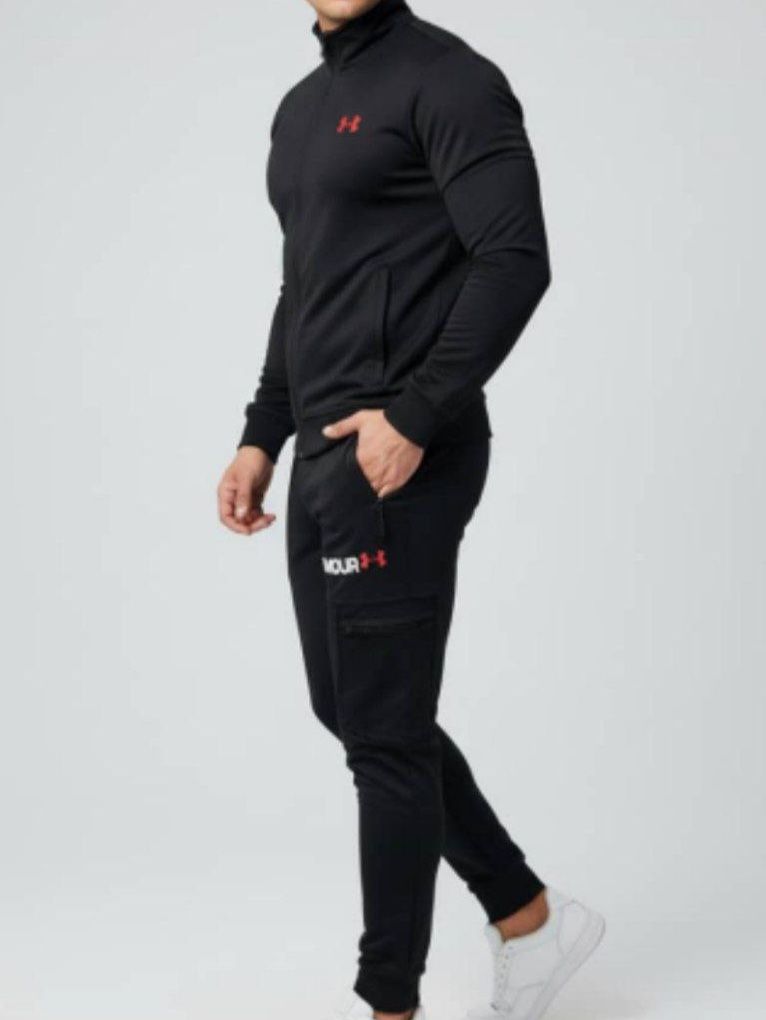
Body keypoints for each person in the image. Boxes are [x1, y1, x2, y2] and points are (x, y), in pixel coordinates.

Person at [217, 2, 604, 1018]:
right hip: (324, 452)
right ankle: (527, 915)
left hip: (401, 455)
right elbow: (307, 282)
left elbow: (516, 257)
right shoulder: (303, 107)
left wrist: (416, 416)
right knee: (352, 710)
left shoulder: (450, 79)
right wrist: (263, 431)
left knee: (383, 736)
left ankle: (390, 1003)